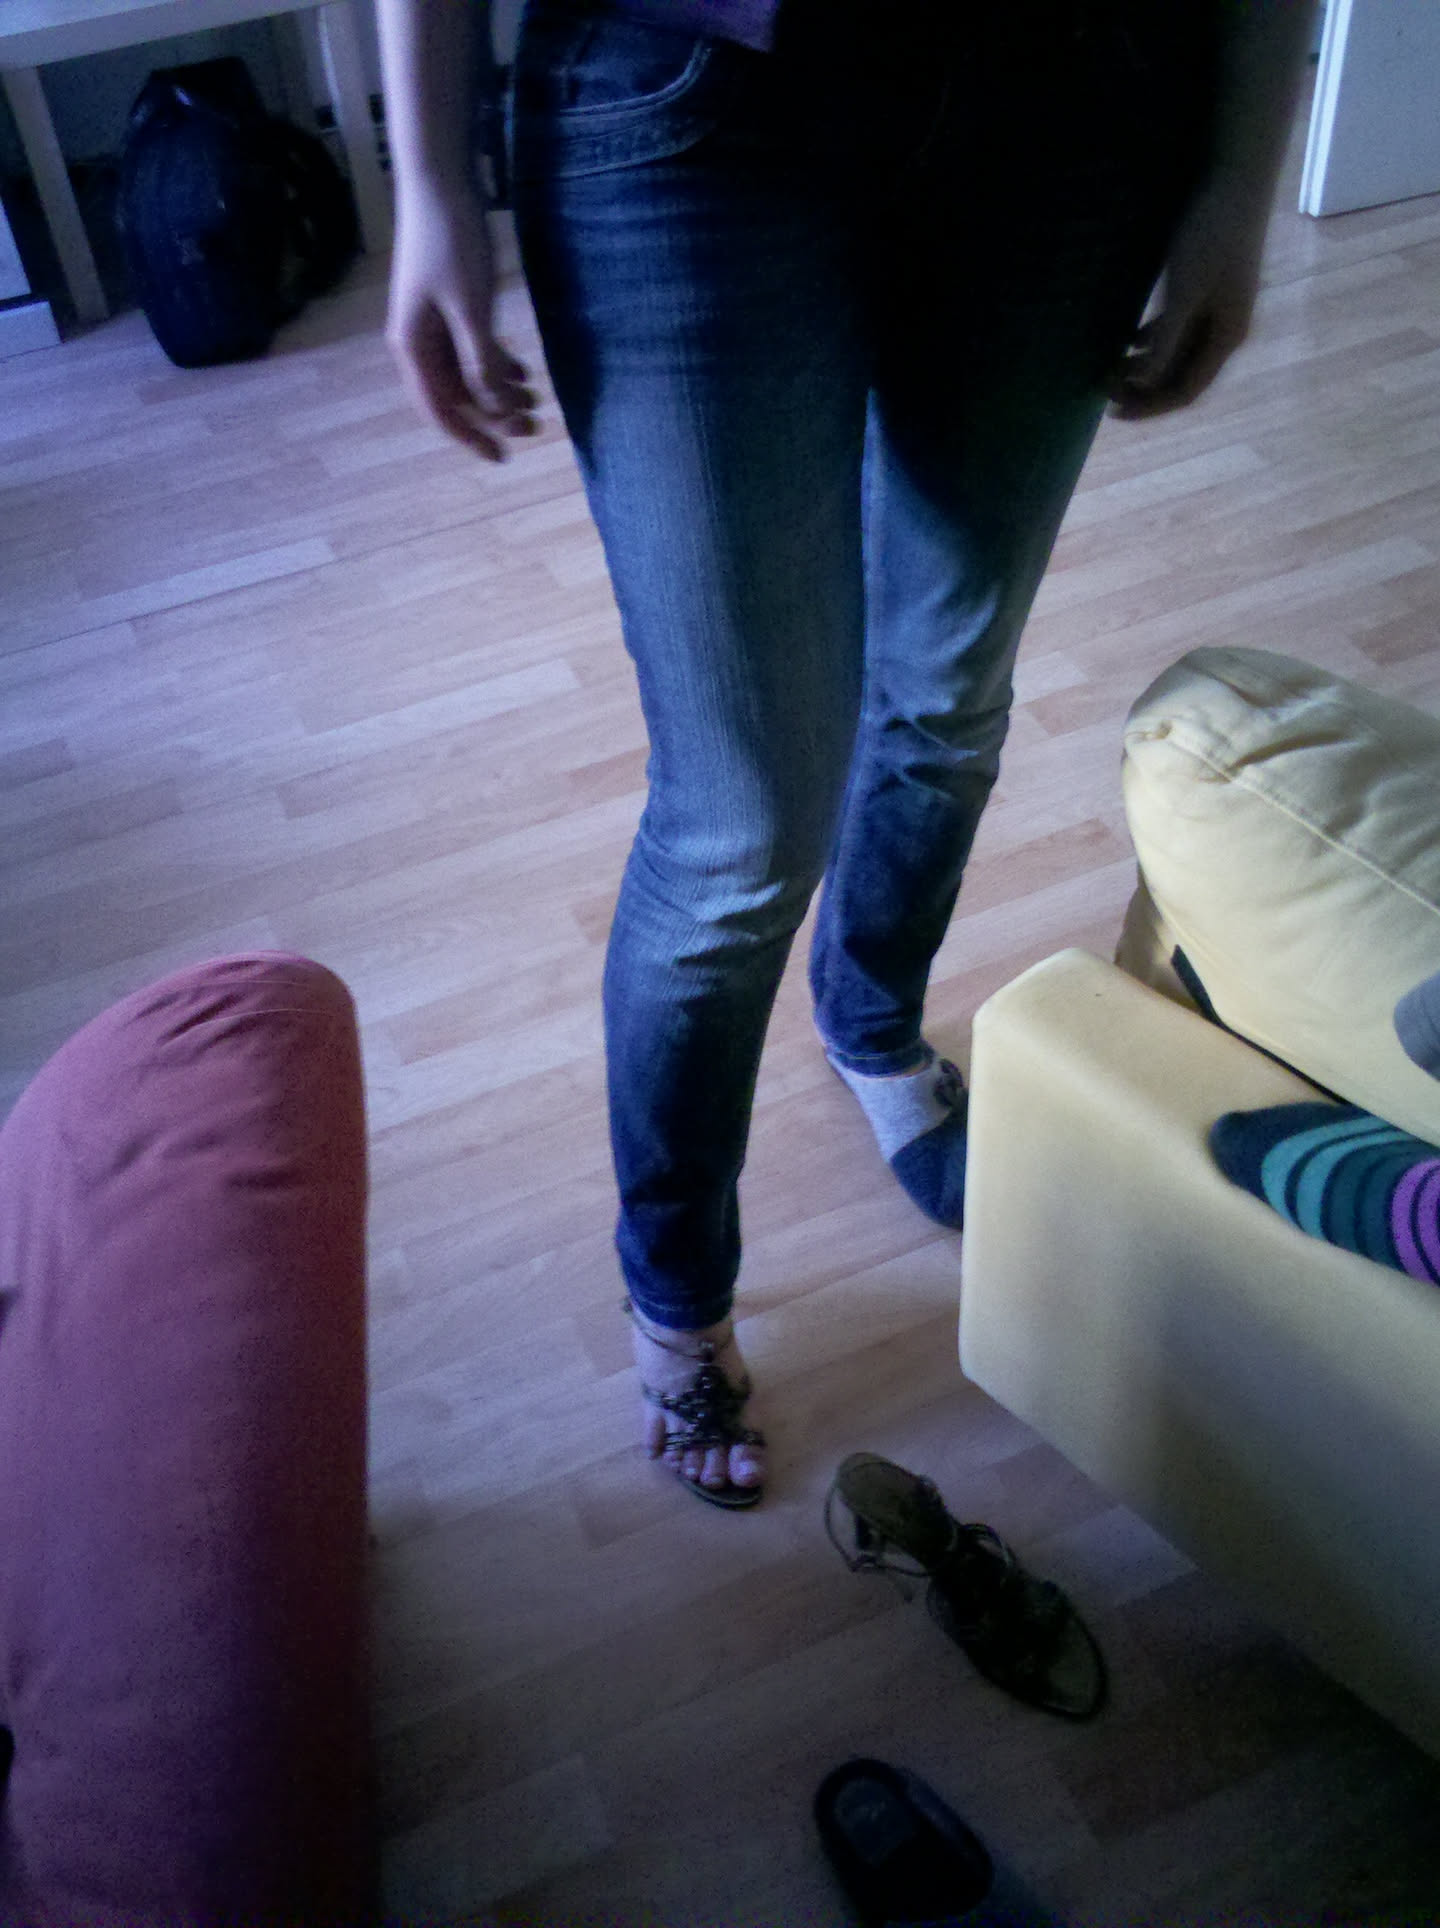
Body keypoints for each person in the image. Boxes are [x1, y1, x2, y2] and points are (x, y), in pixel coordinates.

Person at [377, 0, 1317, 1508]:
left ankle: (872, 1026)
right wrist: (426, 183)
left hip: (1077, 100)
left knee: (946, 692)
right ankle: (676, 1293)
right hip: (689, 97)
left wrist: (1238, 180)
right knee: (738, 833)